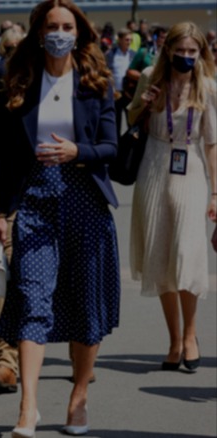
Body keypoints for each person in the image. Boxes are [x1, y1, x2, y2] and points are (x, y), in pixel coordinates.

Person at [0, 1, 121, 436]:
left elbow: (110, 148)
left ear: (78, 31)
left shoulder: (96, 82)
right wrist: (2, 211)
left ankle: (78, 399)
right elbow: (8, 158)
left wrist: (76, 152)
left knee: (88, 303)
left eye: (67, 26)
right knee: (32, 298)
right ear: (39, 30)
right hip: (34, 204)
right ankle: (28, 408)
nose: (60, 33)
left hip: (85, 201)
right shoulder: (21, 80)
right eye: (53, 26)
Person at [127, 21, 216, 373]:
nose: (185, 57)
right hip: (154, 164)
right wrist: (145, 103)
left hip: (190, 166)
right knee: (162, 254)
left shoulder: (207, 86)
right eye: (180, 51)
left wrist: (215, 193)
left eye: (192, 52)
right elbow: (132, 118)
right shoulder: (151, 76)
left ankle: (191, 334)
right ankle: (174, 339)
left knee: (185, 252)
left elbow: (211, 142)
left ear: (200, 53)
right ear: (169, 50)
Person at [106, 28, 136, 138]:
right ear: (120, 40)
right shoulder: (111, 54)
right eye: (127, 40)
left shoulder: (133, 54)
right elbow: (107, 72)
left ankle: (130, 146)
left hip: (129, 93)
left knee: (131, 121)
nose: (129, 42)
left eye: (130, 40)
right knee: (116, 122)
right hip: (116, 93)